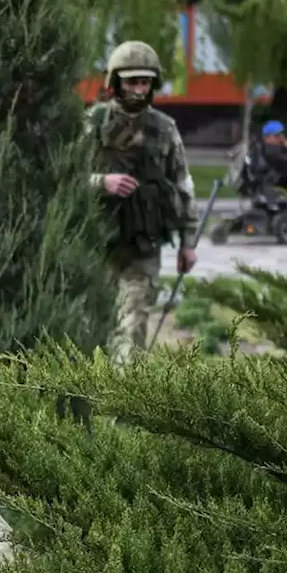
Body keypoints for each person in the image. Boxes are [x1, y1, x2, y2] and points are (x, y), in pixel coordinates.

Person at [86, 40, 198, 362]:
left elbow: (182, 185)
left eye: (145, 81)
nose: (138, 88)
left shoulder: (164, 130)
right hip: (97, 244)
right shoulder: (93, 123)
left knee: (133, 325)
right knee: (94, 323)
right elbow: (62, 177)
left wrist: (187, 242)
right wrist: (102, 182)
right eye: (132, 81)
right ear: (116, 82)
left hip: (143, 246)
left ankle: (124, 401)